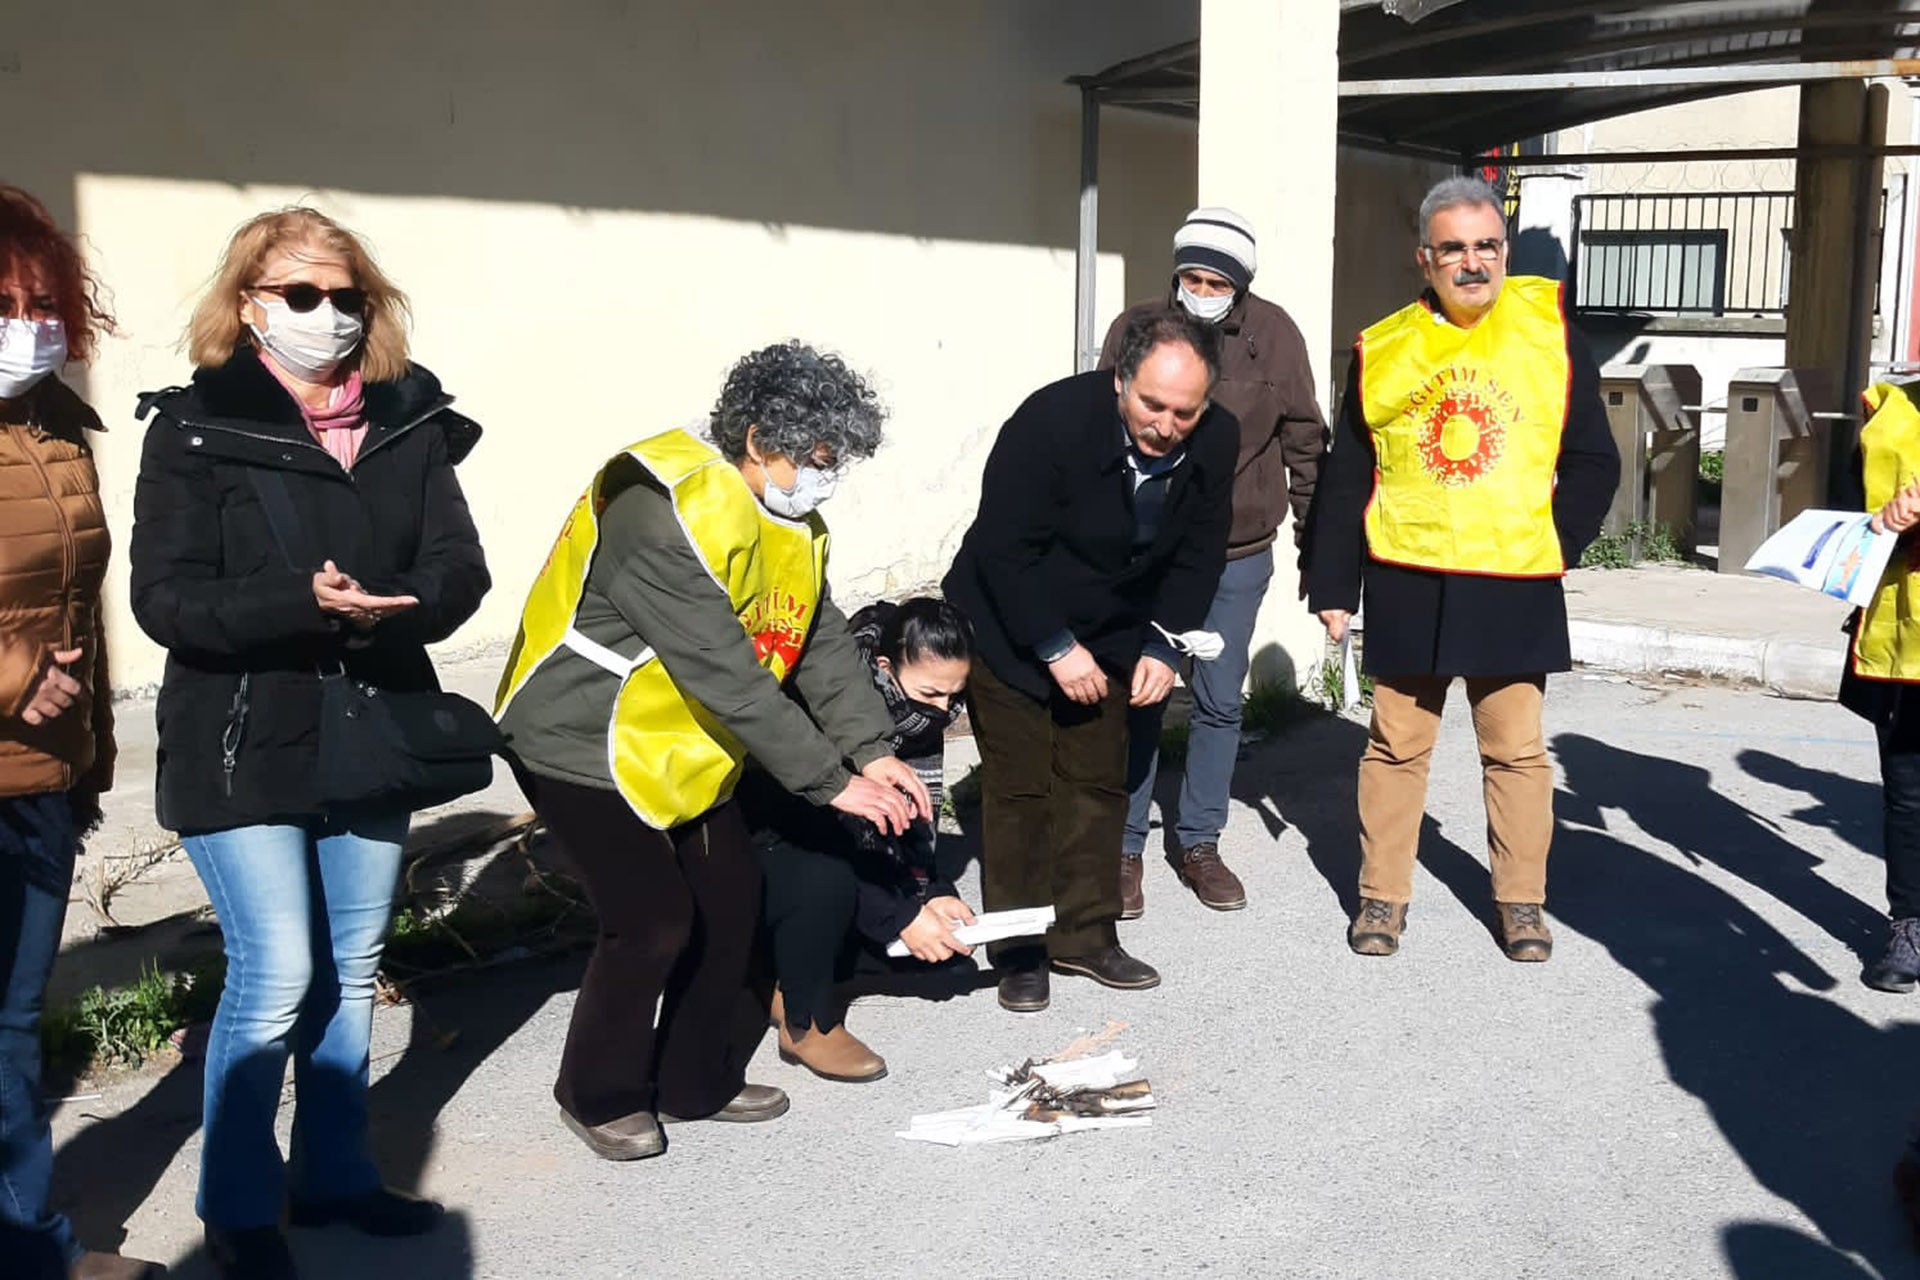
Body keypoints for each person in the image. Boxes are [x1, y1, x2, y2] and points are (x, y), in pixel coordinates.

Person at [131, 208, 490, 1279]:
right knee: (279, 967)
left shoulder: (409, 419)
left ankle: (333, 1174)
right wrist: (303, 599)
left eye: (346, 295)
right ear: (246, 303)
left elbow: (459, 566)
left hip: (371, 722)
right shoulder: (194, 427)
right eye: (299, 294)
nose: (326, 314)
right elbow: (166, 600)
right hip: (241, 737)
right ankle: (238, 1205)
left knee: (352, 965)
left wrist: (405, 603)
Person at [496, 341, 930, 1159]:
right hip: (578, 736)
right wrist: (828, 781)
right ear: (760, 439)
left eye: (838, 460)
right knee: (652, 920)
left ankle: (694, 1081)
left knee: (731, 899)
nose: (826, 476)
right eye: (818, 458)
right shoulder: (655, 506)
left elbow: (819, 638)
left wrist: (870, 748)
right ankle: (596, 1093)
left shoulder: (793, 521)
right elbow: (726, 674)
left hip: (679, 738)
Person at [1304, 176, 1619, 964]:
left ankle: (1521, 904)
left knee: (1515, 751)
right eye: (1455, 249)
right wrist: (1335, 586)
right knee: (1395, 746)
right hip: (1411, 579)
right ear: (1426, 257)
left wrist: (1557, 546)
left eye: (1486, 247)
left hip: (1513, 583)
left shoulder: (1549, 332)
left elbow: (1593, 462)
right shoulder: (1384, 348)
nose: (1473, 263)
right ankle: (1382, 895)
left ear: (1504, 252)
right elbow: (1351, 475)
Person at [944, 309, 1234, 1013]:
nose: (1166, 425)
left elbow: (1199, 552)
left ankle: (1086, 935)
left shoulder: (1217, 439)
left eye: (1184, 412)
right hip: (1012, 622)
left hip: (1113, 630)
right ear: (1120, 381)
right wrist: (1053, 647)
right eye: (1152, 404)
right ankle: (1019, 950)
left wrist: (1166, 645)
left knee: (1096, 784)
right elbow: (1003, 551)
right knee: (1020, 794)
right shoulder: (1049, 423)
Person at [0, 189, 162, 1280]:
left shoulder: (55, 424)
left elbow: (78, 622)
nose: (27, 323)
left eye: (42, 302)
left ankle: (28, 1250)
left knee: (11, 1025)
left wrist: (90, 756)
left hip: (40, 779)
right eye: (2, 302)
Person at [1098, 206, 1328, 917]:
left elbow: (1304, 442)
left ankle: (1199, 841)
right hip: (1147, 550)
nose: (1202, 290)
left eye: (1217, 280)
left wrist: (1315, 549)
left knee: (1219, 701)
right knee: (1139, 697)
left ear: (1241, 285)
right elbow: (1099, 427)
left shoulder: (1275, 337)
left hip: (1237, 552)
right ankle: (1125, 847)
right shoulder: (1136, 329)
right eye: (1191, 277)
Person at [738, 596, 978, 1083]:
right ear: (886, 668)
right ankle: (802, 1014)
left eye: (954, 697)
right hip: (777, 842)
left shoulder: (917, 717)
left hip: (847, 859)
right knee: (827, 883)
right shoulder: (831, 707)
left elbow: (911, 824)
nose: (944, 711)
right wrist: (902, 914)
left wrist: (932, 893)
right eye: (931, 693)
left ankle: (808, 966)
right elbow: (830, 836)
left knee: (946, 965)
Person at [1838, 380, 1920, 993]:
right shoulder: (1888, 415)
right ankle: (1909, 926)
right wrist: (1878, 522)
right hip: (1903, 640)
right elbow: (1839, 509)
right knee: (1909, 794)